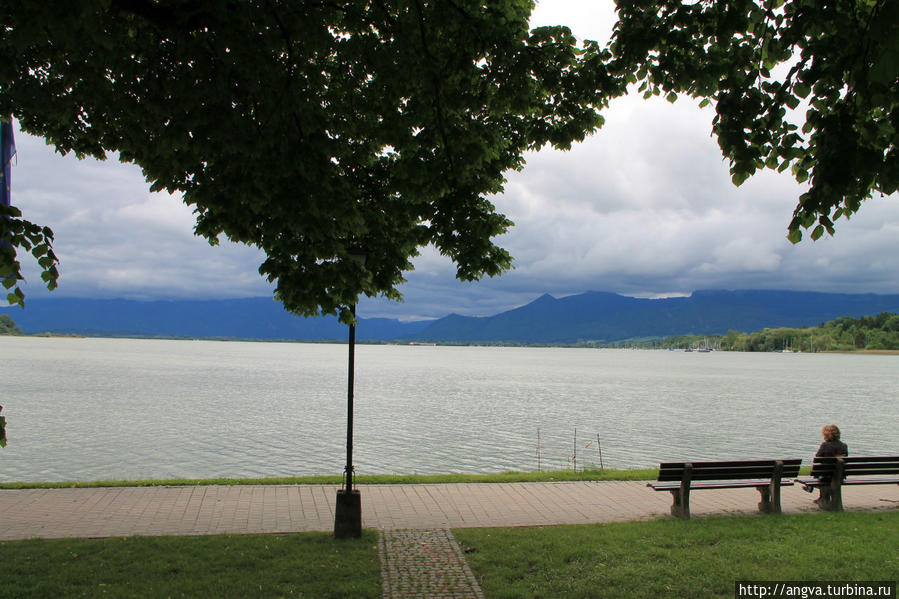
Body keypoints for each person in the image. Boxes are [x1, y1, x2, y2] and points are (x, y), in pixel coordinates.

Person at [808, 424, 847, 505]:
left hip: (826, 475)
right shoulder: (843, 445)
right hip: (840, 475)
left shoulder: (825, 445)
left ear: (825, 435)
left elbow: (817, 456)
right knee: (823, 471)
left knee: (821, 472)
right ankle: (822, 497)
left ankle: (822, 497)